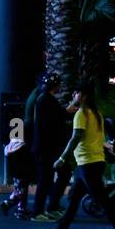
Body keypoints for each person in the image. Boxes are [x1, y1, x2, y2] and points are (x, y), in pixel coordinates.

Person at [45, 78, 115, 229]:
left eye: (76, 93)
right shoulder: (96, 113)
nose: (74, 95)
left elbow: (76, 137)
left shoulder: (81, 114)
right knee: (74, 198)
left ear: (82, 95)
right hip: (91, 162)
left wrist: (62, 158)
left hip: (88, 164)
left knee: (102, 199)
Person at [31, 71, 69, 221]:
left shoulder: (46, 99)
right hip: (46, 148)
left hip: (50, 147)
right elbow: (51, 123)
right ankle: (38, 212)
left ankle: (52, 206)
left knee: (60, 174)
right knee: (45, 179)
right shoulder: (45, 101)